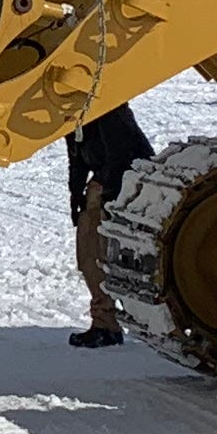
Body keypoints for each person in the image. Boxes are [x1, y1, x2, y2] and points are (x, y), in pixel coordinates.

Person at [66, 103, 154, 348]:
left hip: (126, 185)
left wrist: (109, 198)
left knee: (106, 257)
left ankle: (114, 322)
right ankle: (104, 323)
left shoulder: (108, 107)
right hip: (102, 185)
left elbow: (121, 154)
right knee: (89, 257)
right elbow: (76, 158)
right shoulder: (72, 114)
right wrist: (76, 194)